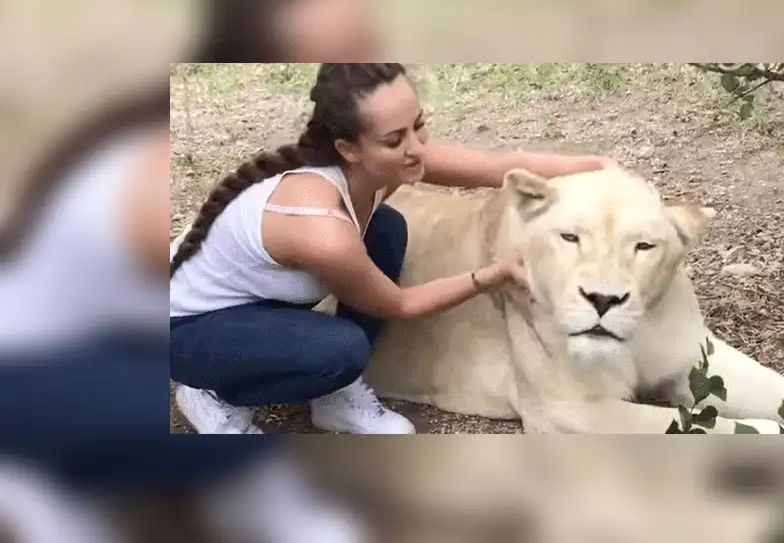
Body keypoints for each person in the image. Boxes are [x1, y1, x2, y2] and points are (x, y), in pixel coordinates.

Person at [170, 63, 614, 435]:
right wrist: (490, 275)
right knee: (340, 352)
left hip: (258, 298)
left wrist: (601, 169)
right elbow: (401, 305)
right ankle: (213, 389)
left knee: (385, 227)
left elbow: (501, 167)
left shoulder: (385, 163)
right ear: (348, 149)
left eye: (418, 125)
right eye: (394, 139)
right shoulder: (322, 230)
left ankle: (333, 398)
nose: (416, 149)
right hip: (186, 327)